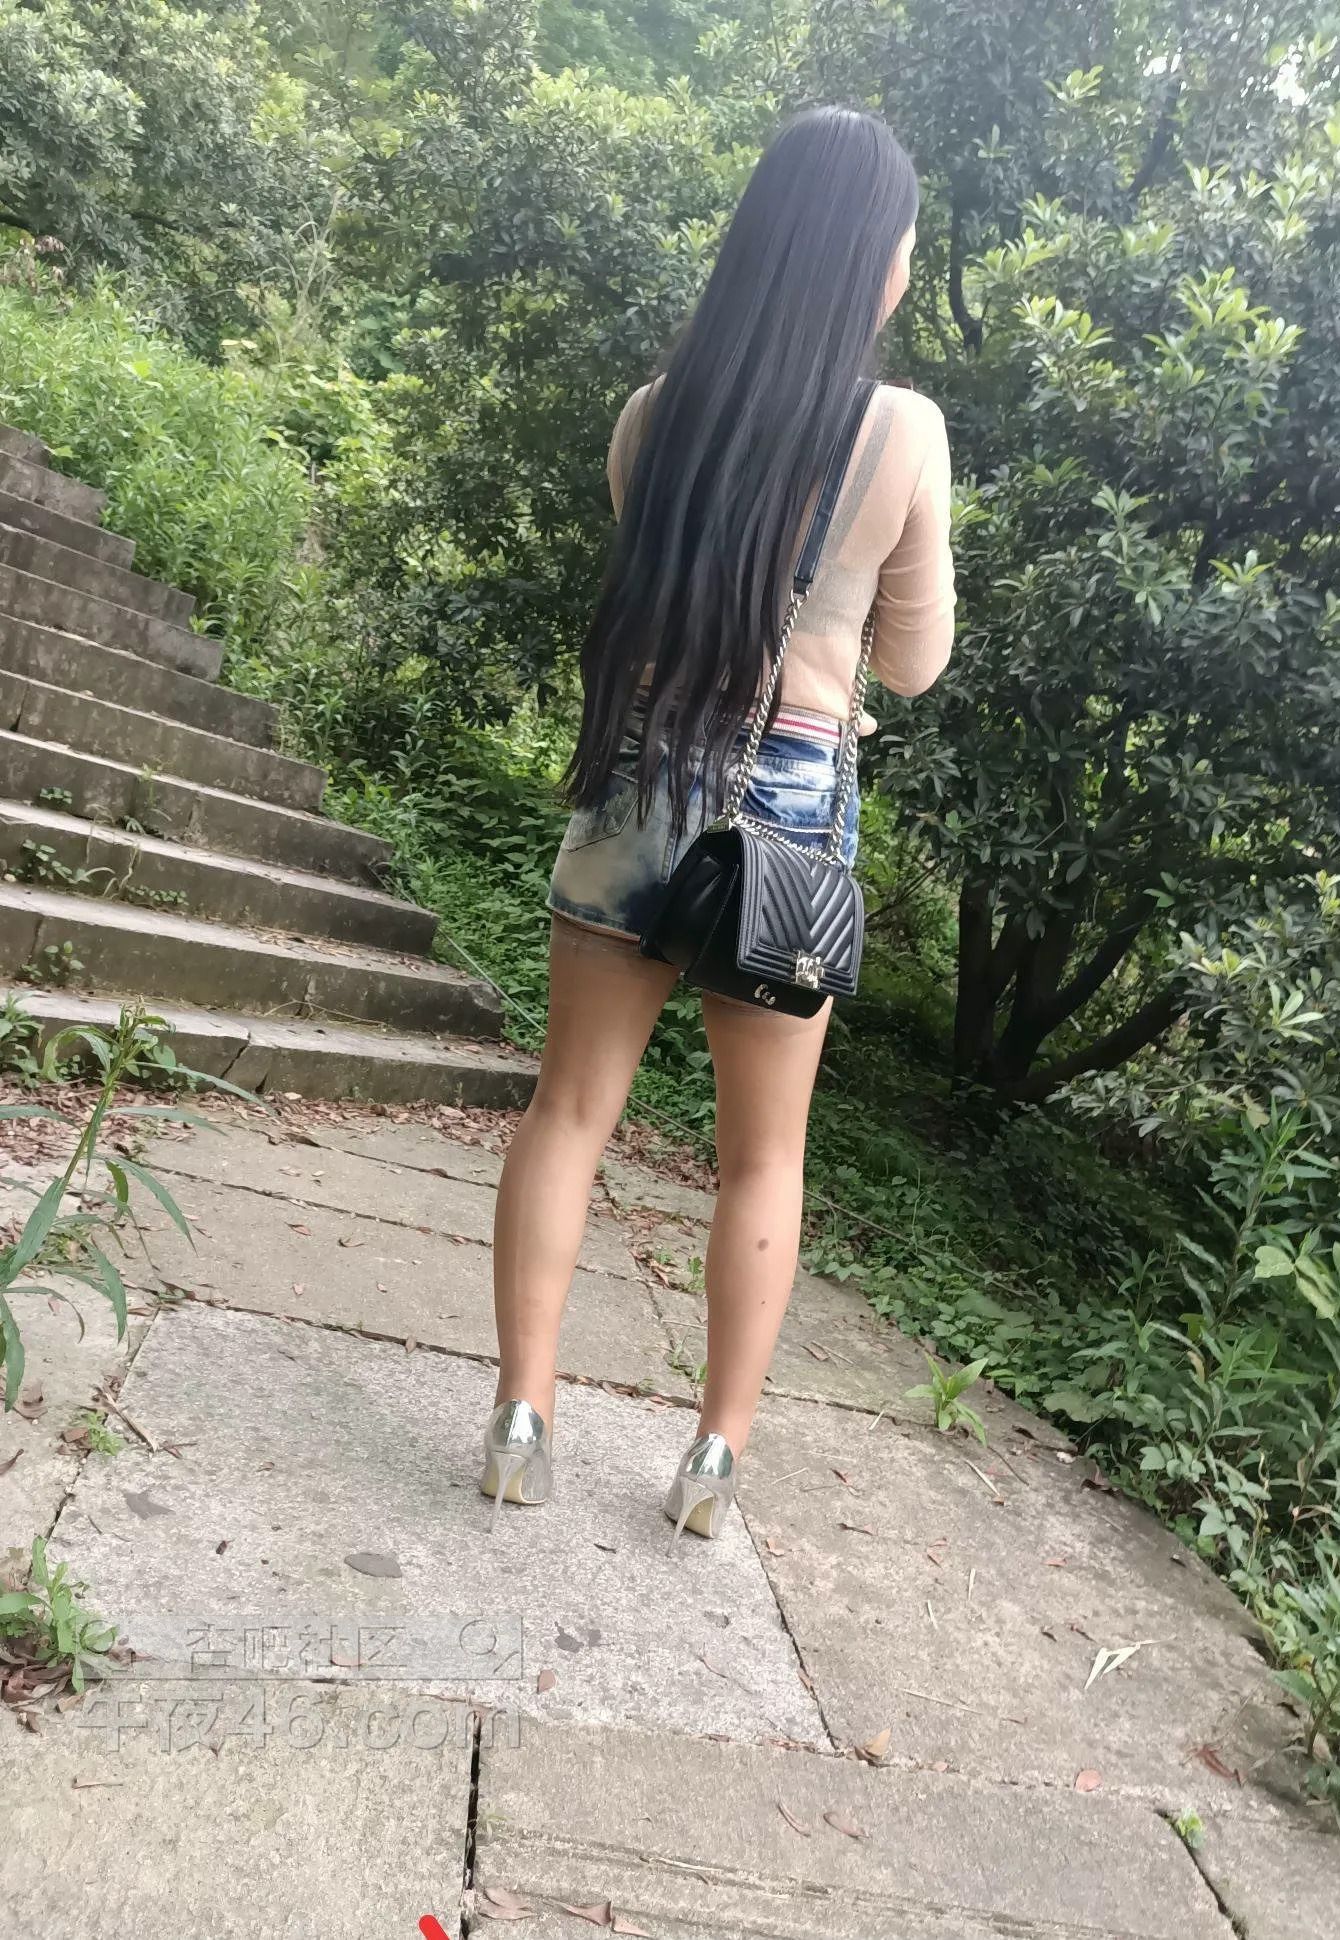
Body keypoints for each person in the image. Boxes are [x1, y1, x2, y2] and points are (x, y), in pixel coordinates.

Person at [482, 105, 955, 1543]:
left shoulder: (651, 415)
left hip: (640, 779)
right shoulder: (903, 432)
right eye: (905, 242)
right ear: (871, 259)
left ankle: (521, 1420)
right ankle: (711, 1463)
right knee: (763, 1158)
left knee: (570, 1111)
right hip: (792, 813)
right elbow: (913, 665)